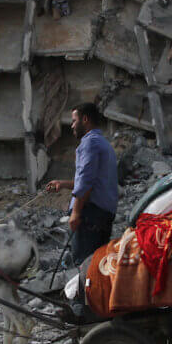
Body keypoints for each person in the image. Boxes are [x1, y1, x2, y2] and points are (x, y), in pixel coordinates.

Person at [46, 103, 119, 265]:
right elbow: (93, 181)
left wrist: (76, 212)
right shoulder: (104, 144)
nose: (72, 125)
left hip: (90, 215)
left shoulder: (89, 143)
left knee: (84, 266)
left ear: (85, 119)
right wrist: (63, 184)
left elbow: (86, 182)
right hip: (103, 215)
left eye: (74, 120)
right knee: (98, 265)